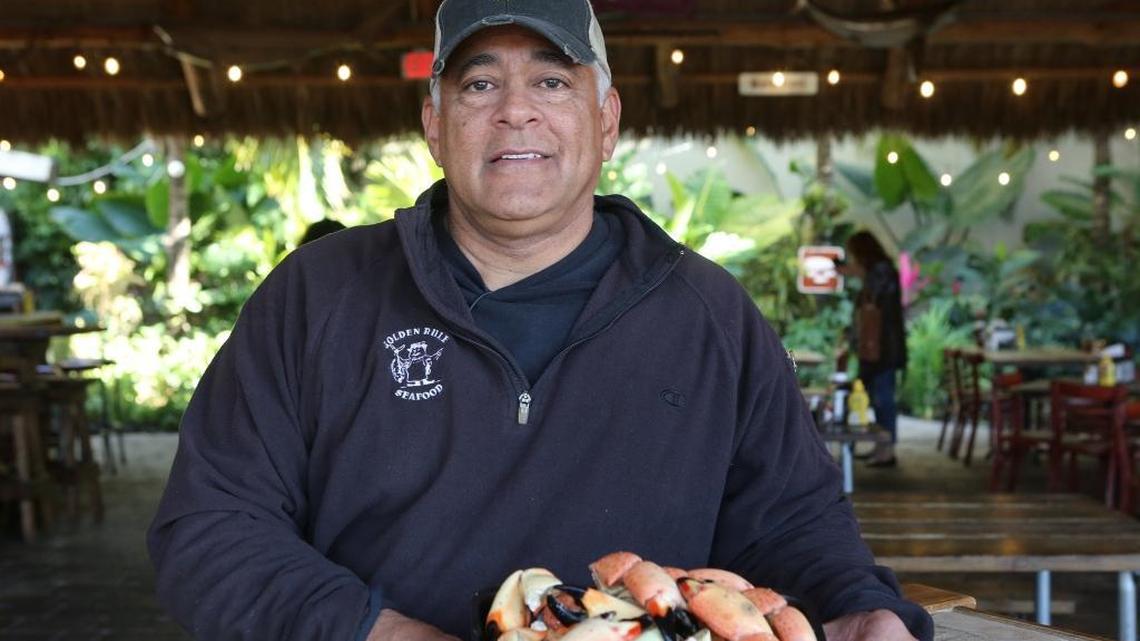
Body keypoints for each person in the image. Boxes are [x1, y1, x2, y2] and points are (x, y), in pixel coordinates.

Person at [147, 2, 931, 641]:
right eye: (480, 84)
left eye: (553, 81)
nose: (516, 110)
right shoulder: (317, 296)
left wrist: (861, 604)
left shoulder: (710, 315)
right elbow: (210, 527)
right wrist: (379, 631)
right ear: (433, 122)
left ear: (607, 119)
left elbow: (792, 522)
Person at [844, 231, 908, 467]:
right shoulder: (881, 270)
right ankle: (883, 446)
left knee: (883, 399)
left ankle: (886, 448)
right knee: (878, 397)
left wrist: (857, 273)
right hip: (881, 348)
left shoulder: (880, 271)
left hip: (882, 348)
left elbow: (873, 299)